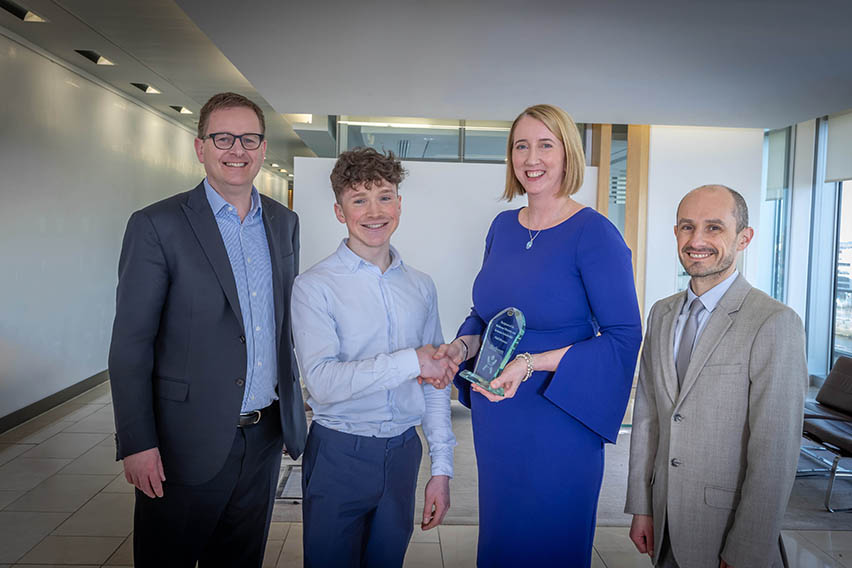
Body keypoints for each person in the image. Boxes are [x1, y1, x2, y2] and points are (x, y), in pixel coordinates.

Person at [436, 104, 642, 566]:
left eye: (546, 144)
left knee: (551, 541)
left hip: (560, 415)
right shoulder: (502, 228)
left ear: (567, 154)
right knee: (502, 541)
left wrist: (532, 362)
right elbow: (485, 314)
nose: (533, 157)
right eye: (521, 146)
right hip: (499, 416)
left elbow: (624, 335)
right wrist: (462, 346)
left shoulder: (595, 233)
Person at [108, 92, 307, 567]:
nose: (237, 149)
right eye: (223, 137)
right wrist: (137, 442)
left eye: (249, 139)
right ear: (201, 147)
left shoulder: (283, 223)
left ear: (263, 149)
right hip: (183, 441)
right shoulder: (157, 225)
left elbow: (282, 329)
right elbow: (131, 344)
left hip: (263, 439)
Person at [291, 147, 458, 568]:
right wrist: (410, 362)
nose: (374, 211)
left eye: (384, 196)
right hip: (338, 453)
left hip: (403, 453)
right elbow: (323, 385)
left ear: (399, 203)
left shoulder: (421, 287)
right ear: (338, 210)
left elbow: (436, 380)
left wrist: (442, 468)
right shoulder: (314, 286)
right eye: (358, 199)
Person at [625, 185, 807, 568]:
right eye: (687, 227)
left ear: (744, 238)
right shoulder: (661, 313)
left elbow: (775, 452)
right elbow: (648, 418)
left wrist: (747, 549)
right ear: (676, 233)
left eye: (714, 228)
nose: (697, 240)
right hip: (666, 523)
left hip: (728, 532)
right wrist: (643, 506)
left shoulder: (774, 322)